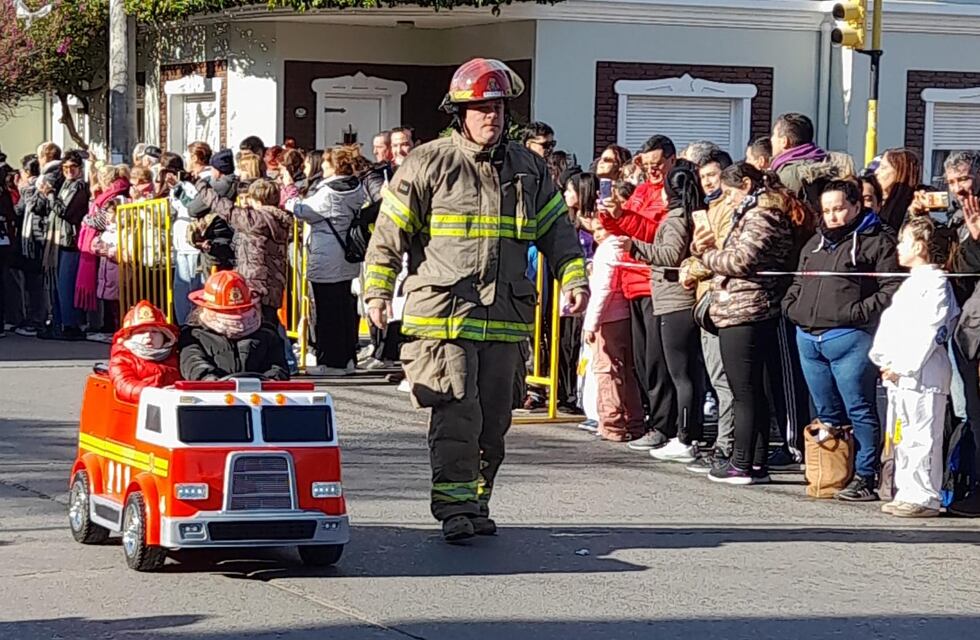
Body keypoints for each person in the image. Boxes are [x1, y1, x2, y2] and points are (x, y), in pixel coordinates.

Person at [363, 58, 588, 542]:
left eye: (499, 108)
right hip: (444, 314)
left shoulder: (529, 169)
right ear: (458, 112)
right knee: (457, 411)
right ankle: (454, 508)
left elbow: (559, 234)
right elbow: (388, 235)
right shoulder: (428, 162)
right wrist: (378, 290)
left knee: (495, 421)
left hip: (505, 317)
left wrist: (575, 280)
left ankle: (476, 500)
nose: (493, 116)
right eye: (482, 108)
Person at [783, 179, 900, 501]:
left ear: (856, 206)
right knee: (826, 411)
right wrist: (792, 307)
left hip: (851, 337)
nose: (832, 216)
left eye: (839, 209)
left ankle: (865, 474)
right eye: (827, 210)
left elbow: (890, 289)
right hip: (808, 337)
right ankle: (833, 472)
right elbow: (797, 279)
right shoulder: (814, 242)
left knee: (859, 408)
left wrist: (859, 312)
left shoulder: (878, 242)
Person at [692, 162, 796, 485]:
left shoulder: (762, 216)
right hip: (744, 307)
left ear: (747, 186)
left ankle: (741, 462)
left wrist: (706, 256)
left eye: (731, 194)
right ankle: (755, 462)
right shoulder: (754, 214)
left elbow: (740, 260)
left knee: (744, 391)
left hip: (746, 309)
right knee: (753, 390)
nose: (729, 200)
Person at [604, 165, 705, 461]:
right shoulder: (689, 215)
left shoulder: (675, 219)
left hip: (675, 301)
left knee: (681, 373)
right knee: (684, 372)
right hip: (673, 300)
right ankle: (685, 434)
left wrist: (636, 247)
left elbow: (670, 256)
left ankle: (685, 437)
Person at [870, 216, 959, 517]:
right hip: (899, 375)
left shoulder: (936, 284)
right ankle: (906, 490)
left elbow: (931, 331)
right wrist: (884, 361)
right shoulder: (911, 284)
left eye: (903, 241)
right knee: (903, 437)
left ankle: (925, 496)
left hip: (924, 373)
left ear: (920, 245)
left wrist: (904, 366)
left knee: (923, 435)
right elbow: (891, 327)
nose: (898, 247)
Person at [617, 135, 677, 453]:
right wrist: (608, 215)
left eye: (657, 165)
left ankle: (664, 424)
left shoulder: (672, 194)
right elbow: (622, 228)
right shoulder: (640, 191)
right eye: (647, 165)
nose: (652, 171)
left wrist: (625, 219)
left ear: (671, 160)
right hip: (631, 281)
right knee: (640, 360)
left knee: (657, 361)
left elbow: (654, 234)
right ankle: (650, 420)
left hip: (655, 283)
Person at [285, 146, 365, 376]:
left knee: (326, 309)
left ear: (336, 166)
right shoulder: (356, 187)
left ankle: (331, 360)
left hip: (327, 253)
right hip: (347, 253)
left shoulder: (329, 192)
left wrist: (290, 198)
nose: (322, 167)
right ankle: (348, 357)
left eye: (327, 163)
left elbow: (303, 210)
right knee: (344, 308)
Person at [680, 148, 736, 471]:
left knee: (723, 379)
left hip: (722, 300)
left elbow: (724, 253)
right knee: (716, 377)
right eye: (703, 178)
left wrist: (695, 265)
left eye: (713, 176)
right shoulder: (708, 208)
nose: (708, 183)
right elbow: (697, 249)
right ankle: (723, 443)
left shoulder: (729, 210)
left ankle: (726, 446)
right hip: (704, 299)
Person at [194, 177, 292, 326]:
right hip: (275, 285)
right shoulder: (282, 220)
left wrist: (202, 186)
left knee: (256, 326)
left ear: (257, 200)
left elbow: (224, 208)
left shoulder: (256, 220)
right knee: (271, 324)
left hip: (253, 285)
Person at [583, 217, 644, 442]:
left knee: (606, 371)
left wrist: (591, 323)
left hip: (608, 317)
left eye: (601, 228)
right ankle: (634, 420)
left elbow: (603, 290)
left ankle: (612, 424)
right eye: (595, 229)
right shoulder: (623, 247)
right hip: (625, 315)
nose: (598, 234)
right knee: (626, 370)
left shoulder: (607, 251)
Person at [179, 270, 289, 381]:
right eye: (229, 311)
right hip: (212, 395)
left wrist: (271, 380)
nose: (238, 315)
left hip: (260, 394)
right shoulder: (193, 336)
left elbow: (277, 366)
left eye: (243, 309)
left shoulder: (267, 334)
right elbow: (193, 362)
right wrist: (209, 379)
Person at [41, 150, 90, 340]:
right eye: (66, 167)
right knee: (56, 285)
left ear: (80, 169)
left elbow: (66, 212)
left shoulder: (79, 187)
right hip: (57, 239)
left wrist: (51, 195)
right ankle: (58, 324)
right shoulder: (65, 184)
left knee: (65, 286)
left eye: (73, 167)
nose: (69, 170)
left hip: (69, 241)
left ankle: (70, 325)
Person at [158, 153, 203, 325]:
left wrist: (178, 187)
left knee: (193, 287)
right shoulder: (171, 189)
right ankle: (184, 325)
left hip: (191, 244)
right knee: (180, 288)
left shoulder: (189, 186)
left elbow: (192, 207)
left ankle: (194, 324)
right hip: (179, 243)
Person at [109, 300, 181, 403]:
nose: (148, 336)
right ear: (129, 337)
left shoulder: (176, 355)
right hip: (142, 410)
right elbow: (125, 385)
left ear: (165, 336)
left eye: (155, 331)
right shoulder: (121, 359)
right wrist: (156, 394)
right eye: (141, 332)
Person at [875, 148, 922, 231]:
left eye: (883, 167)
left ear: (900, 173)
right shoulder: (875, 200)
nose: (876, 172)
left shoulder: (914, 206)